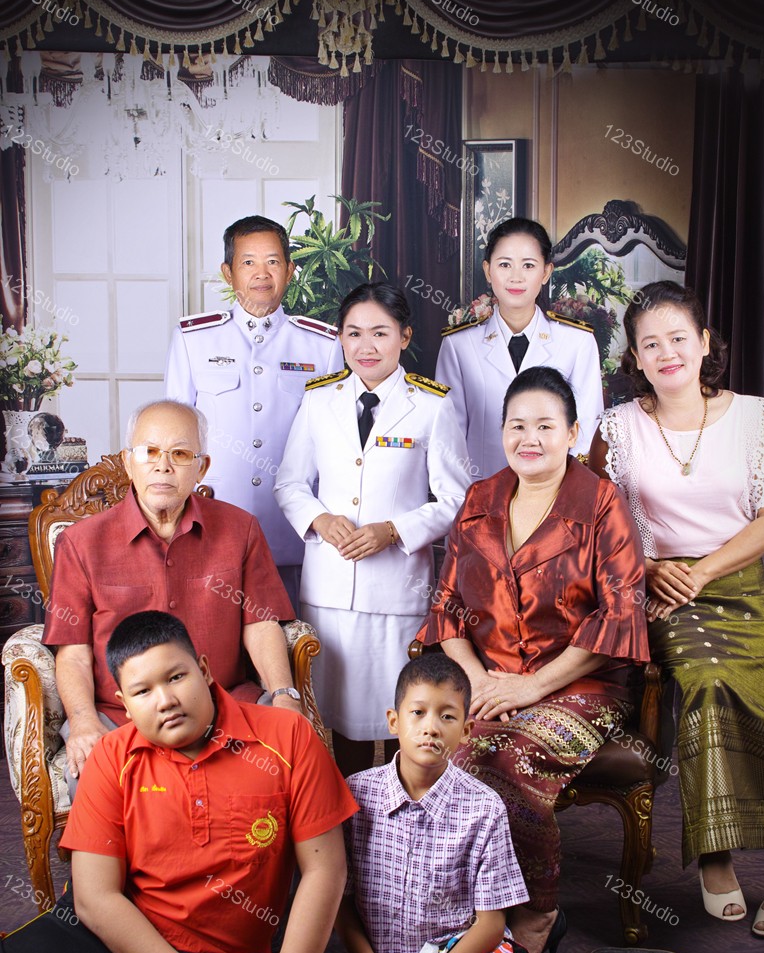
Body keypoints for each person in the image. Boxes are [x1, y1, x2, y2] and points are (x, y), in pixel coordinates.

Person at [0, 611, 358, 953]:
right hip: (115, 936)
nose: (165, 700)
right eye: (143, 691)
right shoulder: (111, 757)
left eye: (176, 677)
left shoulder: (287, 737)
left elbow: (325, 871)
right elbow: (95, 900)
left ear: (204, 670)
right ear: (125, 705)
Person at [337, 654, 703, 953]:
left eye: (447, 716)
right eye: (418, 713)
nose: (431, 727)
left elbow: (490, 927)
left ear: (466, 731)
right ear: (393, 721)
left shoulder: (482, 806)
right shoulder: (356, 797)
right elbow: (342, 904)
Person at [416, 366, 649, 953]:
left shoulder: (601, 503)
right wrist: (476, 681)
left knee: (504, 759)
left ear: (572, 433)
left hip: (583, 686)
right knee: (445, 759)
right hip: (490, 682)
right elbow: (445, 606)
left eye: (546, 426)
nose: (530, 438)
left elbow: (621, 613)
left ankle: (537, 910)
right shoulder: (480, 498)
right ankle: (467, 911)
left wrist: (534, 686)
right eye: (517, 425)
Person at [589, 282, 764, 938]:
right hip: (663, 593)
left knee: (759, 716)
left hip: (738, 589)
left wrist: (705, 571)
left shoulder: (754, 418)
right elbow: (597, 523)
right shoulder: (618, 428)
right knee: (706, 686)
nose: (667, 352)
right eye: (650, 344)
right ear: (636, 357)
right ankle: (715, 853)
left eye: (679, 338)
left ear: (705, 343)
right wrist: (650, 569)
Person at [44, 400, 298, 799]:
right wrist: (83, 721)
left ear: (201, 468)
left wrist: (284, 694)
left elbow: (261, 624)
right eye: (149, 452)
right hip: (122, 715)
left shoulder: (240, 529)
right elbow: (73, 652)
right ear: (128, 462)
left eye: (180, 454)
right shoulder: (80, 543)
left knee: (293, 759)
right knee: (93, 781)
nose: (163, 466)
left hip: (225, 705)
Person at [274, 282, 471, 779]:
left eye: (380, 333)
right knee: (334, 722)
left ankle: (397, 814)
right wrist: (320, 519)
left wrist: (394, 530)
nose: (366, 346)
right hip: (329, 590)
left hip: (395, 592)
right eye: (354, 333)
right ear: (340, 338)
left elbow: (456, 499)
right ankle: (347, 817)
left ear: (404, 337)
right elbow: (289, 483)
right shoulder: (319, 400)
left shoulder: (431, 405)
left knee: (399, 716)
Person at [164, 214, 344, 608]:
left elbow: (335, 442)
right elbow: (173, 438)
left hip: (293, 530)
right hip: (213, 521)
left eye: (273, 262)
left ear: (290, 271)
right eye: (248, 262)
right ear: (228, 272)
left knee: (296, 634)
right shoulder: (194, 339)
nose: (262, 273)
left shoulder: (322, 344)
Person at [435, 217, 604, 479]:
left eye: (528, 265)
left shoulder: (577, 342)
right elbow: (448, 436)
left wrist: (567, 496)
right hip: (480, 489)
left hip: (554, 491)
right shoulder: (459, 346)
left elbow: (585, 432)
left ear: (546, 272)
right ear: (488, 270)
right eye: (504, 264)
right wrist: (464, 498)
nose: (516, 277)